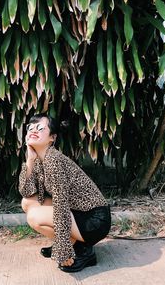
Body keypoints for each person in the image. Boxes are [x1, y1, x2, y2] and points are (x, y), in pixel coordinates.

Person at [19, 113, 111, 273]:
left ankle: (81, 250)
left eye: (40, 128)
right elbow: (26, 191)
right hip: (78, 212)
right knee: (27, 202)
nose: (33, 131)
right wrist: (29, 160)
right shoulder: (40, 159)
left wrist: (63, 252)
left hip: (94, 219)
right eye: (30, 128)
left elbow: (61, 206)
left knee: (34, 217)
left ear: (52, 138)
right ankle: (72, 243)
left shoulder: (53, 161)